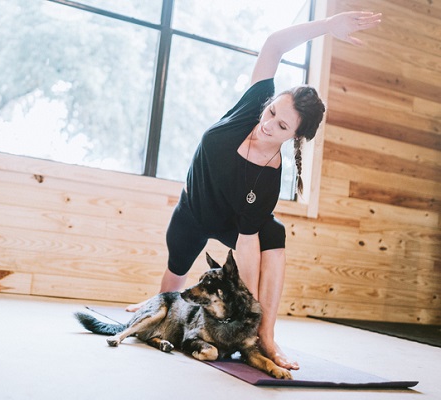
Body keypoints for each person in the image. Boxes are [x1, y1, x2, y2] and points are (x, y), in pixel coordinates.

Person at [126, 11, 382, 370]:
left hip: (230, 221)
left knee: (272, 233)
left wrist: (248, 319)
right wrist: (325, 27)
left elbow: (247, 244)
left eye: (279, 126)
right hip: (194, 208)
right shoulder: (255, 103)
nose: (266, 125)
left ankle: (267, 335)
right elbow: (274, 45)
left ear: (294, 136)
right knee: (172, 278)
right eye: (272, 111)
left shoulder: (266, 178)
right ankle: (155, 303)